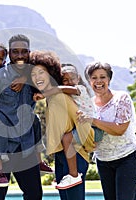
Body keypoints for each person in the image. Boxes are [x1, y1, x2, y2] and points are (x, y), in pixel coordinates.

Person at [0, 34, 43, 200]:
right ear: (9, 54)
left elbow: (54, 77)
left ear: (29, 53)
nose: (19, 55)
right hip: (1, 147)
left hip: (26, 146)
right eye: (15, 51)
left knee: (35, 194)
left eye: (23, 51)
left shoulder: (34, 75)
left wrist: (26, 79)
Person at [29, 50, 95, 200]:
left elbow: (80, 124)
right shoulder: (53, 97)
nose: (38, 77)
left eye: (42, 72)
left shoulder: (59, 95)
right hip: (62, 155)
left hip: (74, 155)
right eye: (33, 74)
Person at [78, 61, 136, 200]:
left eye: (103, 77)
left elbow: (119, 129)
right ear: (89, 81)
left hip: (127, 158)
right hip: (103, 161)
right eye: (94, 77)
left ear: (109, 79)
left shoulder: (121, 98)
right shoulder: (88, 104)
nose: (98, 81)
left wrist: (92, 120)